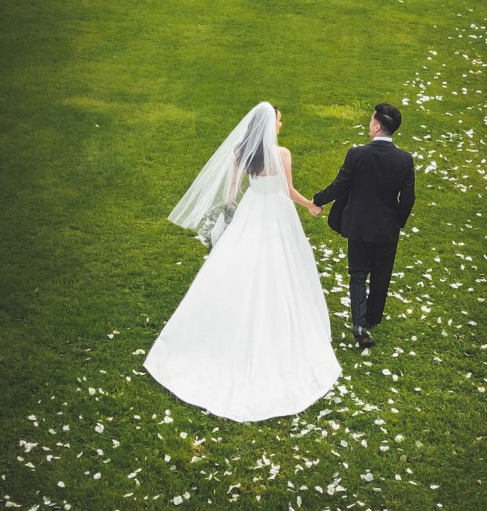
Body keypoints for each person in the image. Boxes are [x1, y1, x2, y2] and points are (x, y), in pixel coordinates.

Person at [144, 102, 341, 422]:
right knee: (282, 269)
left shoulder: (243, 153)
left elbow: (232, 193)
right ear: (270, 123)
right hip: (276, 215)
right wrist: (310, 206)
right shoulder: (283, 155)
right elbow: (289, 191)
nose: (281, 123)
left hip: (252, 210)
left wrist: (230, 213)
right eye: (279, 119)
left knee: (238, 268)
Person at [313, 103, 415, 349]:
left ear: (377, 126)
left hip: (358, 225)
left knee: (357, 274)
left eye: (371, 121)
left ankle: (360, 324)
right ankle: (372, 318)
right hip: (386, 228)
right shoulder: (404, 160)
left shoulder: (357, 154)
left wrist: (318, 199)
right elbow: (408, 198)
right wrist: (397, 221)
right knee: (381, 275)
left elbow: (340, 186)